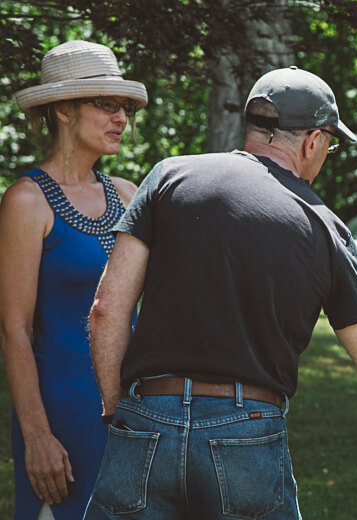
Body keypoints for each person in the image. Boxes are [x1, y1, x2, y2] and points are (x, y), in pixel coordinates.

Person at [83, 66, 357, 519]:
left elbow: (106, 310)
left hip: (146, 417)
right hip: (247, 430)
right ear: (312, 141)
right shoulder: (323, 226)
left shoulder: (169, 177)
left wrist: (117, 412)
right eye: (330, 143)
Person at [0, 41, 146, 520]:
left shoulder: (128, 194)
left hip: (136, 409)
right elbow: (13, 329)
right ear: (63, 109)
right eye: (106, 104)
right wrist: (37, 435)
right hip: (62, 410)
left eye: (124, 106)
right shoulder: (26, 202)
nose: (121, 117)